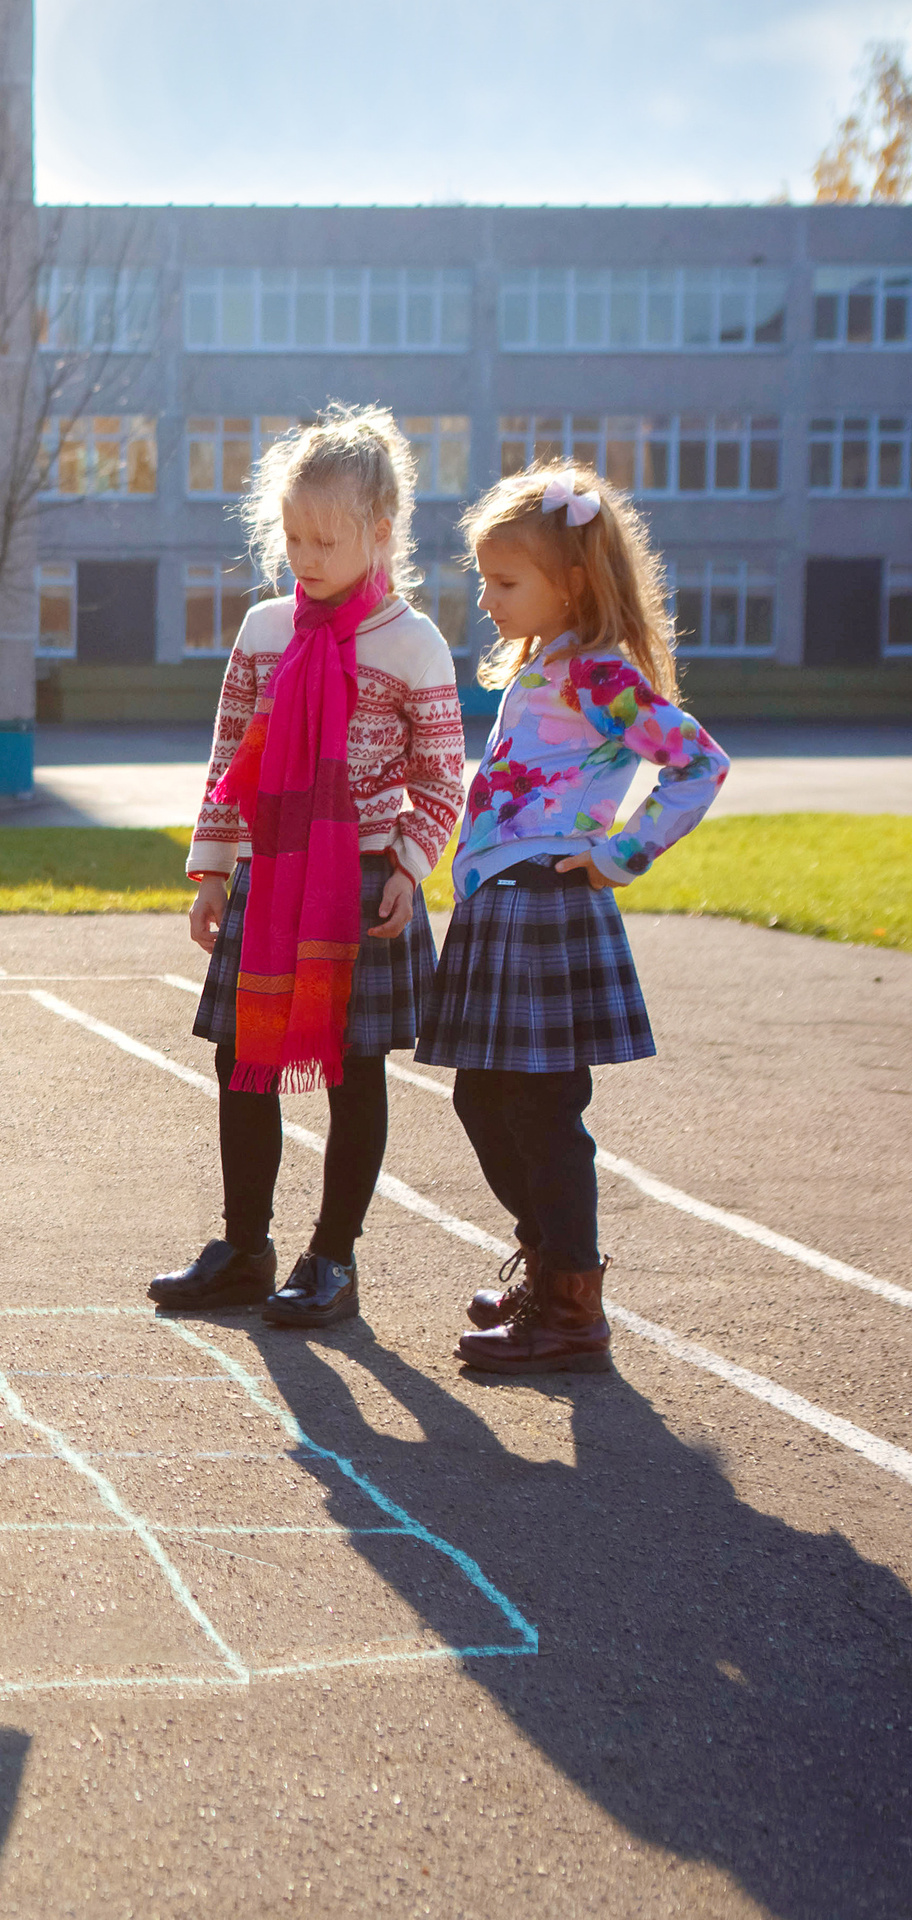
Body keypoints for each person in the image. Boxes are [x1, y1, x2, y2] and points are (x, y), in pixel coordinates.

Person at [149, 404, 463, 1330]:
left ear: (380, 531)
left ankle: (333, 1257)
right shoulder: (263, 630)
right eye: (292, 537)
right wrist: (213, 870)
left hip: (360, 884)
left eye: (326, 538)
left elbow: (443, 773)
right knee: (239, 1058)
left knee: (353, 1071)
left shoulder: (413, 643)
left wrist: (411, 858)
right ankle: (246, 1248)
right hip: (269, 879)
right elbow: (228, 756)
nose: (306, 557)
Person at [422, 463, 730, 1373]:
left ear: (576, 582)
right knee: (484, 1096)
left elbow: (698, 764)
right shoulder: (546, 664)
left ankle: (570, 1308)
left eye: (506, 581)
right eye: (484, 578)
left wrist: (620, 853)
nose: (487, 597)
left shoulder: (598, 672)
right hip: (502, 907)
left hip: (549, 907)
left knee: (545, 1108)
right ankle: (553, 1259)